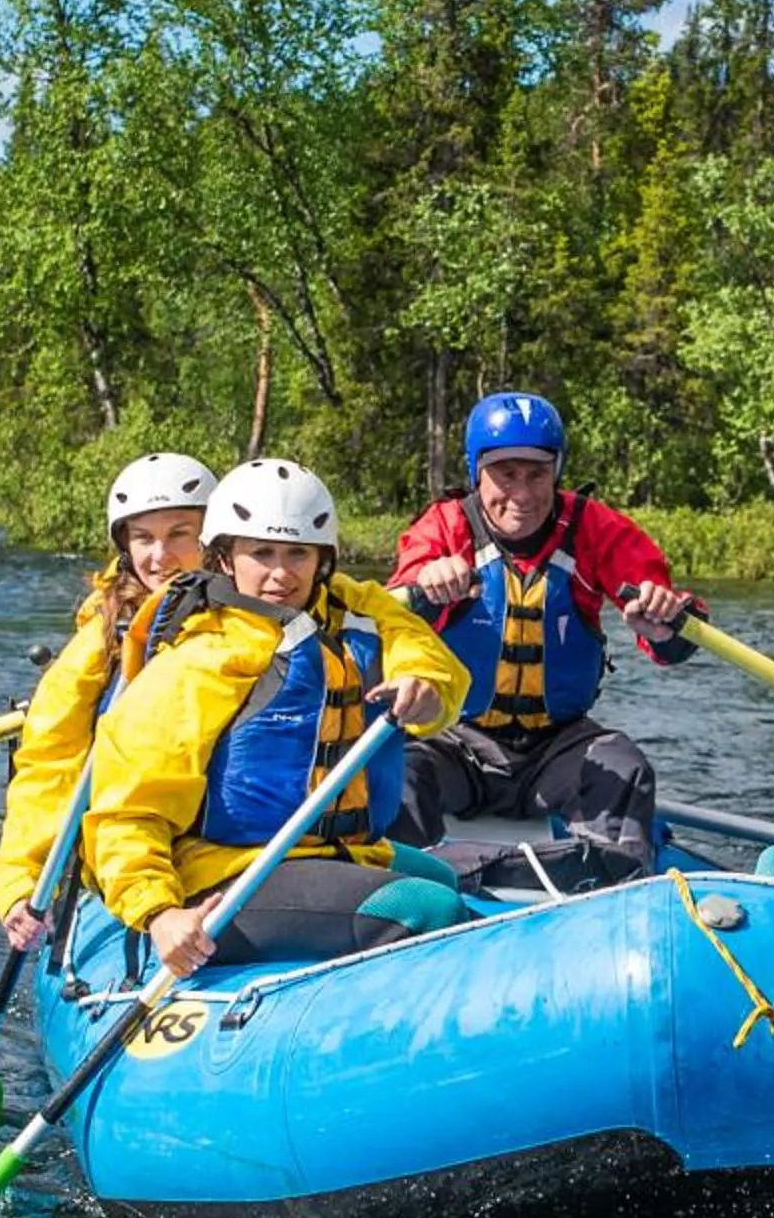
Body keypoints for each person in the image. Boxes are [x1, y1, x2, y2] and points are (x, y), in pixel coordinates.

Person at [82, 457, 472, 977]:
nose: (281, 573)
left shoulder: (347, 614)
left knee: (442, 878)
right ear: (224, 558)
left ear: (321, 560)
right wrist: (158, 911)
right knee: (428, 908)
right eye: (260, 553)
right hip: (223, 876)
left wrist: (424, 683)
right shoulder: (201, 660)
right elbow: (127, 809)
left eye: (297, 554)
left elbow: (414, 642)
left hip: (322, 851)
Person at [384, 390, 701, 891]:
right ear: (477, 472)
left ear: (557, 470)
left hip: (557, 745)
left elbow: (663, 613)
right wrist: (425, 584)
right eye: (506, 474)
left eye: (537, 473)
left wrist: (662, 623)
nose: (523, 493)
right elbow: (390, 618)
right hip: (454, 740)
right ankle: (413, 893)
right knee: (392, 768)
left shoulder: (594, 527)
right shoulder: (444, 526)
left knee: (624, 766)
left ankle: (604, 888)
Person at [0, 451, 217, 950]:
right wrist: (19, 886)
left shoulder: (256, 608)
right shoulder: (100, 641)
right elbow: (50, 767)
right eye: (144, 539)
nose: (160, 556)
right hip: (134, 857)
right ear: (125, 545)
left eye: (180, 534)